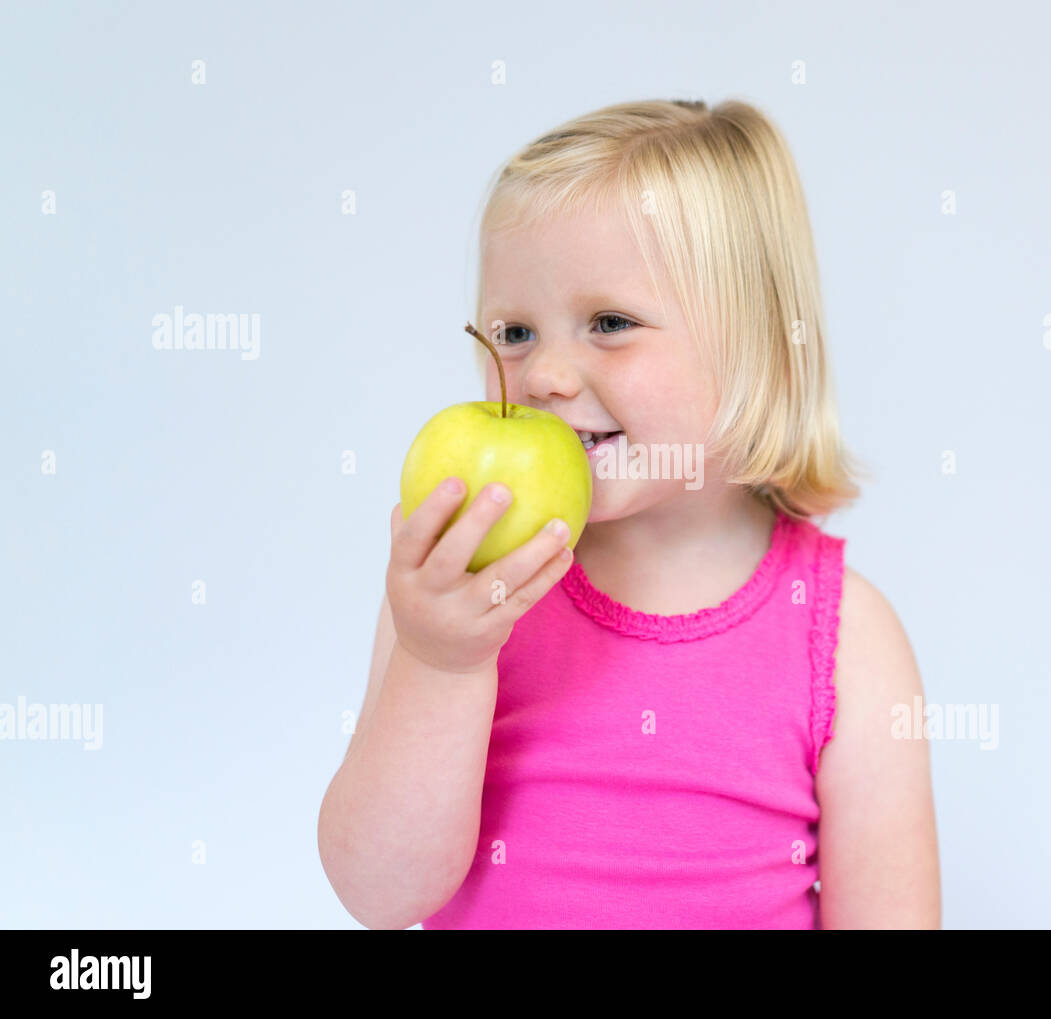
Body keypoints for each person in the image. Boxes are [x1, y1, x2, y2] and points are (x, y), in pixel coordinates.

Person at [318, 98, 941, 929]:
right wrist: (442, 661)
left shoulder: (844, 635)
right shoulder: (465, 588)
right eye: (514, 331)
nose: (543, 375)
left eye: (609, 323)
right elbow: (379, 893)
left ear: (754, 344)